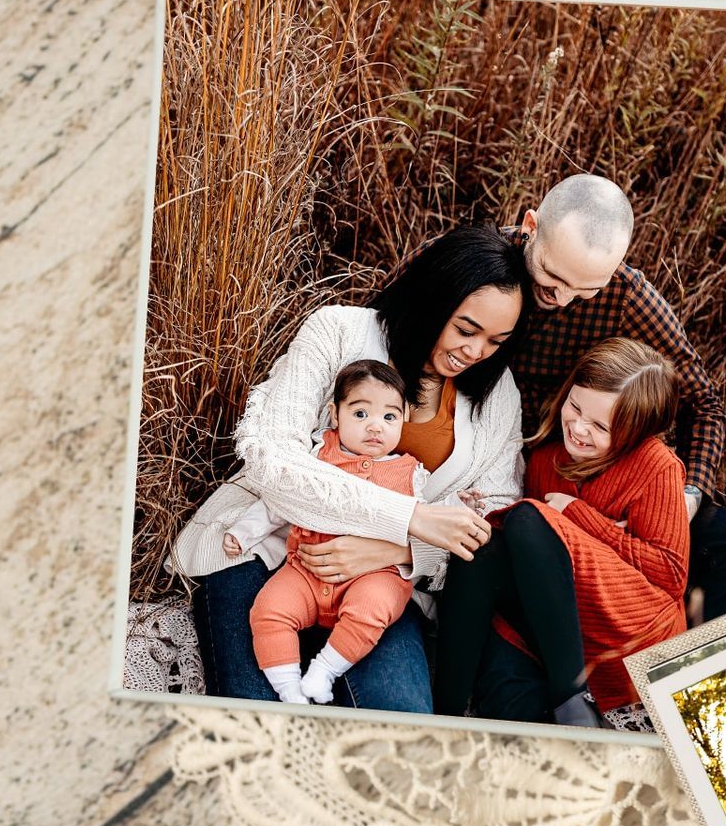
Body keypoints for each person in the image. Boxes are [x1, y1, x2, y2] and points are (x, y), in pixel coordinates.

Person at [169, 226, 531, 712]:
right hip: (266, 546)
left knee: (398, 719)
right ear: (432, 298)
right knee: (256, 721)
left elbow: (494, 512)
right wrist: (408, 518)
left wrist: (401, 547)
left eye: (495, 340)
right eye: (466, 329)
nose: (475, 351)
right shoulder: (338, 330)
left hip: (383, 579)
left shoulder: (497, 392)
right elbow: (272, 457)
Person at [508, 175, 726, 623]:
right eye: (550, 277)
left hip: (604, 463)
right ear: (530, 226)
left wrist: (688, 497)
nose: (562, 299)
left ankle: (680, 653)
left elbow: (702, 401)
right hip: (516, 463)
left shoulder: (628, 296)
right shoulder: (482, 259)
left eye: (584, 289)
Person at [433, 338, 690, 726]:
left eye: (600, 426)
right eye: (575, 406)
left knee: (525, 519)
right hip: (556, 624)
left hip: (631, 627)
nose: (579, 428)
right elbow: (539, 559)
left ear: (634, 434)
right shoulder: (546, 459)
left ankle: (572, 701)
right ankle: (444, 709)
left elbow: (670, 576)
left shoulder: (656, 466)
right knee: (482, 543)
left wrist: (577, 515)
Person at [223, 361, 427, 704]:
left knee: (373, 608)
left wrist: (460, 502)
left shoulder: (411, 472)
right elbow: (282, 500)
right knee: (268, 610)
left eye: (389, 417)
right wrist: (245, 532)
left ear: (404, 418)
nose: (375, 426)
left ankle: (324, 671)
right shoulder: (318, 458)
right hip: (305, 570)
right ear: (335, 415)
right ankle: (289, 690)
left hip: (374, 575)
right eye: (361, 414)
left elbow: (426, 520)